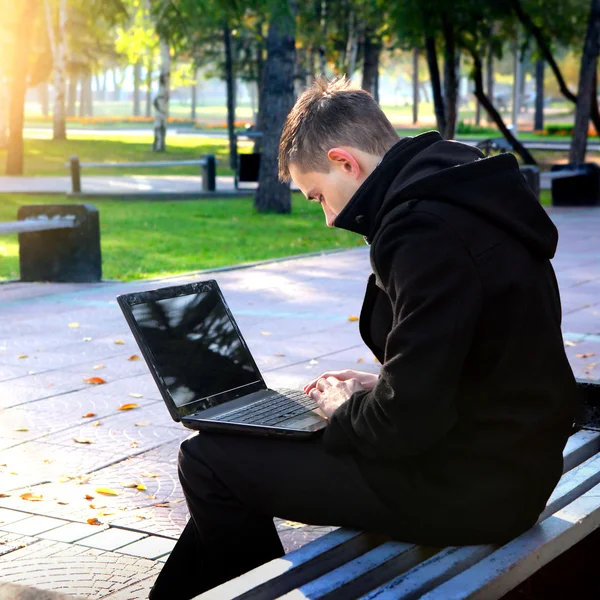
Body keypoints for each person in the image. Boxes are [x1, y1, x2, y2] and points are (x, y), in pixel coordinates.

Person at [148, 75, 577, 600]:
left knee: (208, 462)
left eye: (319, 195)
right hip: (508, 462)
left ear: (346, 162)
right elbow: (483, 355)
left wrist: (342, 407)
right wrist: (381, 383)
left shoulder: (425, 231)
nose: (329, 218)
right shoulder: (462, 196)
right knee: (233, 455)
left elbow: (401, 427)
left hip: (473, 486)